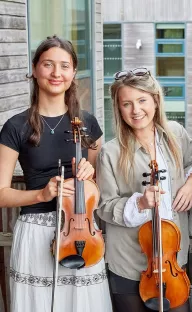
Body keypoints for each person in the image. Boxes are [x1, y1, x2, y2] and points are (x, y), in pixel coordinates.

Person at [0, 36, 112, 312]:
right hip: (35, 231)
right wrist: (41, 193)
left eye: (64, 66)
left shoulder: (88, 123)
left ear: (73, 73)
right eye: (48, 64)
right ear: (35, 69)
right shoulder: (15, 127)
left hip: (81, 232)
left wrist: (90, 174)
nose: (56, 73)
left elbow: (98, 186)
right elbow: (1, 194)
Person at [96, 67, 192, 312]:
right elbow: (103, 206)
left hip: (172, 258)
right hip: (129, 261)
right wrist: (140, 204)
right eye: (127, 104)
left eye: (142, 100)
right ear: (118, 108)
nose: (136, 110)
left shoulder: (176, 133)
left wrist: (191, 182)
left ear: (155, 100)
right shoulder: (110, 153)